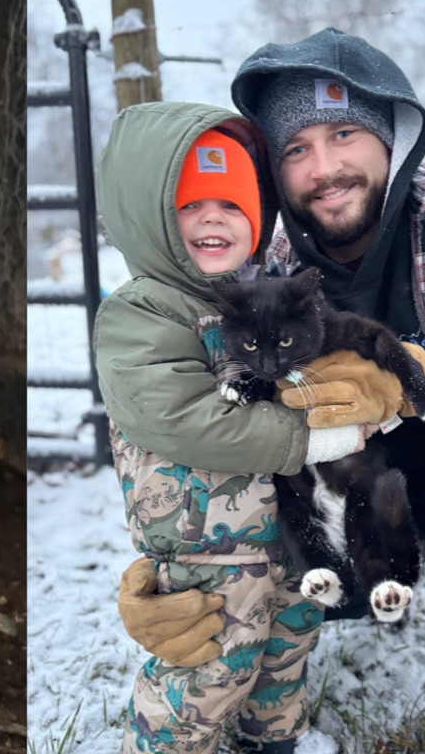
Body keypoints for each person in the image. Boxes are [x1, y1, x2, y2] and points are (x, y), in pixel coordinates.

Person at [125, 31, 425, 754]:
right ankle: (265, 706)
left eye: (343, 133)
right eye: (295, 149)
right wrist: (168, 564)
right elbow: (190, 414)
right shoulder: (258, 261)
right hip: (341, 485)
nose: (325, 168)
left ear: (391, 138)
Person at [95, 103, 374, 754]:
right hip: (205, 553)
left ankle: (272, 742)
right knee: (209, 669)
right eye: (190, 205)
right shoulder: (141, 314)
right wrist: (306, 441)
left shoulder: (259, 303)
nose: (214, 218)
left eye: (232, 204)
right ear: (148, 216)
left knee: (286, 655)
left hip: (286, 534)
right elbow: (181, 417)